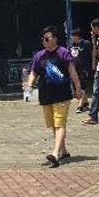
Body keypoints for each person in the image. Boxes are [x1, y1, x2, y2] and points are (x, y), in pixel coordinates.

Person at [26, 26, 82, 168]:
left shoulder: (63, 53)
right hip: (46, 94)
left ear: (55, 39)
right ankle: (63, 151)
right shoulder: (39, 56)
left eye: (47, 38)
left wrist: (78, 88)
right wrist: (29, 86)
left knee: (59, 124)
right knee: (53, 125)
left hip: (62, 94)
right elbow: (33, 72)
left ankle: (55, 154)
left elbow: (72, 71)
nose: (44, 41)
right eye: (43, 39)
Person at [70, 28, 92, 113]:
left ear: (77, 36)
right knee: (76, 88)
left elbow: (91, 54)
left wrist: (92, 67)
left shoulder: (86, 43)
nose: (71, 38)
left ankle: (80, 106)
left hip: (84, 69)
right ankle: (85, 103)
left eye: (72, 36)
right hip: (74, 70)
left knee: (82, 87)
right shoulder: (71, 45)